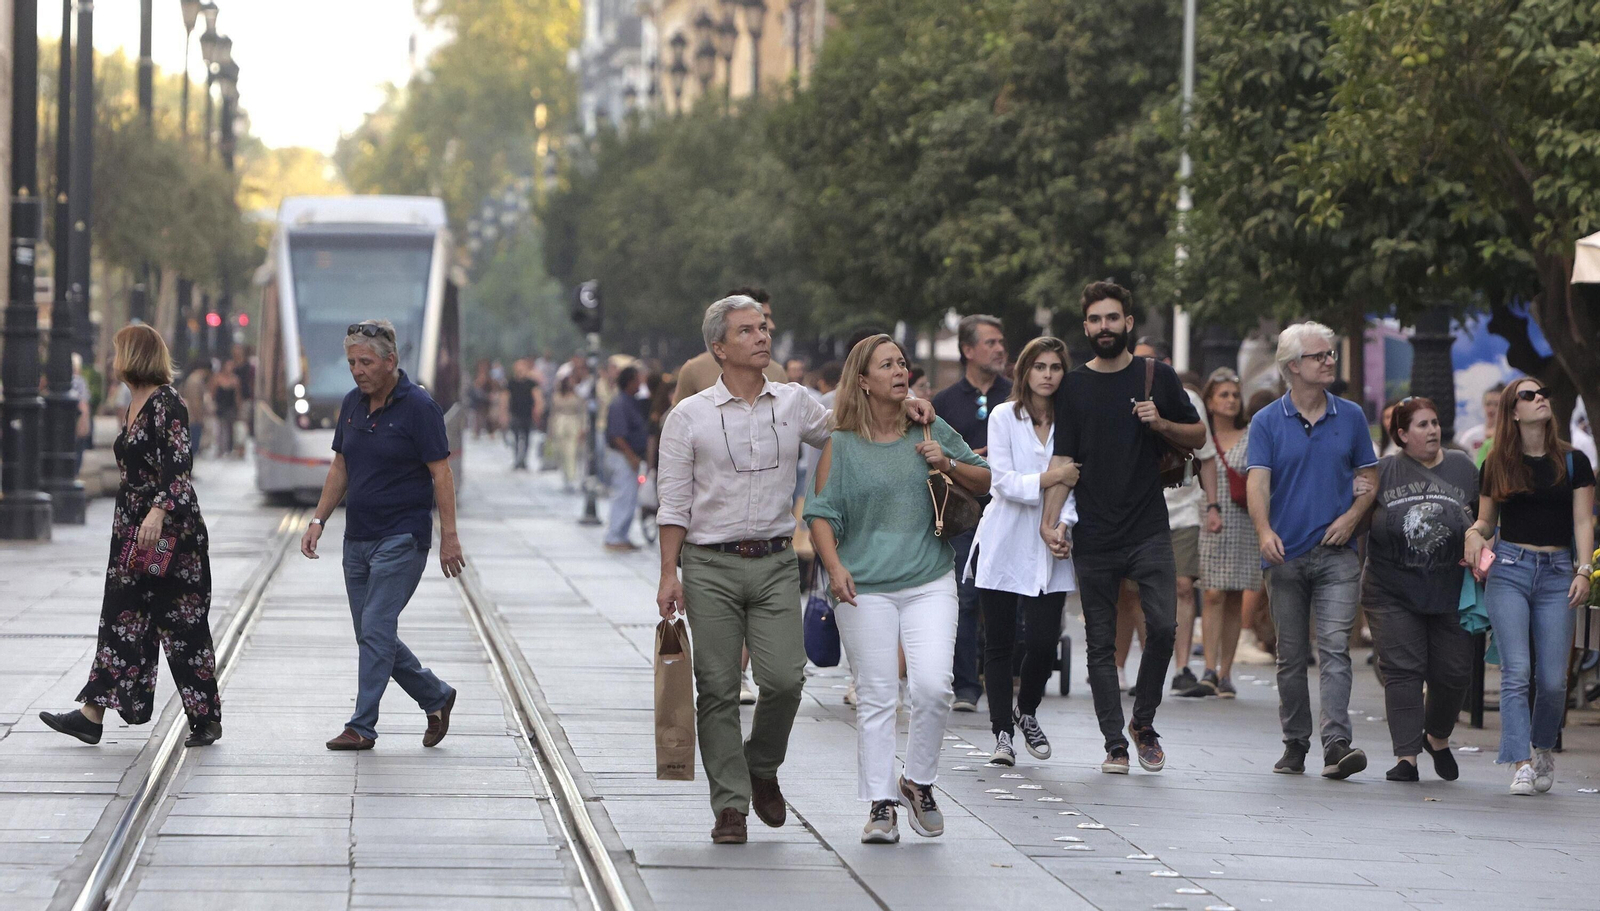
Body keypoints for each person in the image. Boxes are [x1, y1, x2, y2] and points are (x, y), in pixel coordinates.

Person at [656, 299, 936, 845]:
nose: (762, 337)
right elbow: (672, 503)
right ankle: (731, 805)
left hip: (776, 561)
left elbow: (852, 427)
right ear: (720, 347)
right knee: (715, 687)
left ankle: (761, 764)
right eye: (747, 331)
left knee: (784, 679)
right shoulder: (688, 416)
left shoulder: (794, 403)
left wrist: (906, 404)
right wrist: (670, 573)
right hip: (710, 564)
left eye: (763, 328)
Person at [807, 334, 989, 844]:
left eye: (902, 363)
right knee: (878, 695)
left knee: (934, 687)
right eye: (886, 365)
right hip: (863, 588)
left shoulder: (928, 425)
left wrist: (947, 462)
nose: (899, 371)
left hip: (929, 580)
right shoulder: (840, 444)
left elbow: (983, 478)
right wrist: (834, 565)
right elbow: (820, 513)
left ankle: (918, 781)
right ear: (862, 381)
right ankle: (881, 804)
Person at [1040, 281, 1206, 775]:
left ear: (1128, 324)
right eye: (1095, 320)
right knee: (1100, 643)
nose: (1104, 328)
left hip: (1149, 527)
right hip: (1094, 531)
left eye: (1112, 319)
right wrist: (1051, 523)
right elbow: (1064, 458)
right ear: (1086, 326)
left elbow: (1198, 435)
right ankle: (1114, 743)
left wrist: (1161, 423)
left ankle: (1144, 722)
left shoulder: (1158, 376)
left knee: (1164, 626)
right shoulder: (1072, 386)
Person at [40, 325, 223, 748]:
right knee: (122, 617)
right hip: (132, 532)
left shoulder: (167, 402)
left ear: (134, 356)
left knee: (180, 621)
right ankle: (92, 714)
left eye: (118, 352)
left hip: (167, 533)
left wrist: (158, 511)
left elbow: (179, 466)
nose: (111, 360)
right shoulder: (133, 402)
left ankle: (205, 718)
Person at [300, 320, 464, 751]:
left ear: (391, 362)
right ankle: (435, 695)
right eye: (352, 362)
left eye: (366, 362)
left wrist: (449, 536)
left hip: (402, 538)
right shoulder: (352, 404)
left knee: (375, 627)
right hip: (357, 539)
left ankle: (362, 726)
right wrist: (319, 520)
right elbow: (341, 467)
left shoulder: (420, 407)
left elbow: (441, 474)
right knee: (373, 634)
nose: (357, 370)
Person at [1245, 322, 1379, 779]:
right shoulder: (1266, 422)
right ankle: (1295, 741)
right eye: (1320, 355)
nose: (1329, 361)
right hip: (1285, 553)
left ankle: (1337, 742)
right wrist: (1264, 531)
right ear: (1292, 367)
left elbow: (1370, 478)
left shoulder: (1352, 417)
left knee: (1336, 647)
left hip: (1337, 552)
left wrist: (1352, 515)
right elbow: (1257, 484)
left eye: (1331, 355)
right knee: (1290, 653)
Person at [1466, 379, 1595, 795]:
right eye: (1529, 395)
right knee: (1516, 671)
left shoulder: (1574, 463)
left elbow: (1582, 522)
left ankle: (1542, 748)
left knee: (1554, 679)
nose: (1541, 397)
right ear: (1513, 411)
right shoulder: (1498, 464)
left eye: (1542, 392)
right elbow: (1486, 521)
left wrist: (1582, 571)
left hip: (1559, 572)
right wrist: (1474, 533)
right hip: (1510, 570)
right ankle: (1520, 761)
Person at [969, 337, 1079, 767]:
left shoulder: (1071, 420)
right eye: (1039, 366)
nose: (1048, 375)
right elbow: (1004, 482)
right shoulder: (1003, 416)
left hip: (1051, 540)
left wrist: (1063, 525)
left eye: (1055, 367)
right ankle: (1001, 733)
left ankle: (1027, 710)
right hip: (1004, 537)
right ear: (1025, 372)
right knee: (997, 642)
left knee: (1043, 640)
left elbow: (1074, 485)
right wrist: (1051, 477)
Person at [1360, 397, 1478, 782]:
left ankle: (1437, 737)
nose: (1432, 430)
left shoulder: (1462, 467)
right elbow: (1358, 521)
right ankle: (1406, 757)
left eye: (1435, 422)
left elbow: (1485, 518)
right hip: (1391, 589)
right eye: (1423, 425)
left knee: (1455, 673)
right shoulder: (1382, 472)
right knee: (1402, 671)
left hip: (1451, 589)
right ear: (1402, 435)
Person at [931, 314, 1011, 713]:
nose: (999, 349)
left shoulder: (1017, 398)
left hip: (1012, 515)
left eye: (1001, 342)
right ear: (967, 350)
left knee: (1009, 598)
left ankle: (1011, 677)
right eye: (990, 342)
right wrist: (965, 461)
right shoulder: (943, 403)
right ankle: (965, 685)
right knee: (963, 599)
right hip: (963, 516)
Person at [1129, 339, 1218, 696]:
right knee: (1137, 592)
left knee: (1183, 585)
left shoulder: (1188, 399)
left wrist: (1213, 505)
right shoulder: (1121, 395)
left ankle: (1182, 667)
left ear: (1164, 364)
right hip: (1136, 510)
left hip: (1181, 509)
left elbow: (1206, 452)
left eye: (1148, 362)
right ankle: (1149, 666)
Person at [1187, 368, 1261, 697]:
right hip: (1208, 517)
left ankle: (1226, 672)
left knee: (1234, 594)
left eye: (1235, 394)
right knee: (1213, 592)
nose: (1231, 400)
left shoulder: (1252, 435)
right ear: (1210, 402)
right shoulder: (1200, 436)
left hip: (1244, 520)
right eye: (1223, 395)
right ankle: (1208, 669)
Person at [673, 287, 788, 404]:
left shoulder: (778, 373)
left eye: (762, 326)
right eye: (746, 330)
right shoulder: (693, 370)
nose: (772, 326)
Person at [604, 366, 648, 552]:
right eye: (637, 380)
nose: (640, 384)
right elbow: (618, 435)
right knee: (623, 495)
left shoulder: (632, 402)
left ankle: (622, 534)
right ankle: (614, 535)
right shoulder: (619, 404)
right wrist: (630, 456)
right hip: (622, 456)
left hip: (631, 455)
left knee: (630, 497)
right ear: (630, 381)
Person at [506, 358, 545, 471]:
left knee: (527, 437)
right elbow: (505, 397)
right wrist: (504, 412)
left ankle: (524, 459)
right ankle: (517, 459)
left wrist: (538, 410)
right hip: (515, 413)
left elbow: (537, 397)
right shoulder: (511, 383)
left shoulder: (531, 383)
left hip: (527, 413)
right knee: (516, 437)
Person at [549, 375, 586, 489]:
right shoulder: (557, 396)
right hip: (559, 423)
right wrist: (550, 429)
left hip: (573, 423)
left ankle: (571, 477)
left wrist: (583, 428)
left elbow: (582, 413)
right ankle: (565, 475)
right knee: (561, 451)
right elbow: (552, 413)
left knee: (571, 451)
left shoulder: (577, 397)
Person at [1457, 383, 1503, 463]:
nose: (1491, 409)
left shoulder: (1511, 436)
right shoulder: (1471, 436)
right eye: (1488, 404)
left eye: (1496, 404)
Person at [180, 364, 211, 466]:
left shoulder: (193, 380)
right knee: (193, 444)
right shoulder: (195, 381)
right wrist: (199, 417)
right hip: (193, 417)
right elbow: (195, 401)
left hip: (192, 416)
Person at [210, 358, 241, 459]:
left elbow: (237, 395)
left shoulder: (235, 380)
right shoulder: (217, 378)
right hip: (220, 406)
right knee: (220, 428)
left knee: (230, 428)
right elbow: (213, 393)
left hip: (230, 406)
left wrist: (239, 407)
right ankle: (220, 449)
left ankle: (229, 448)